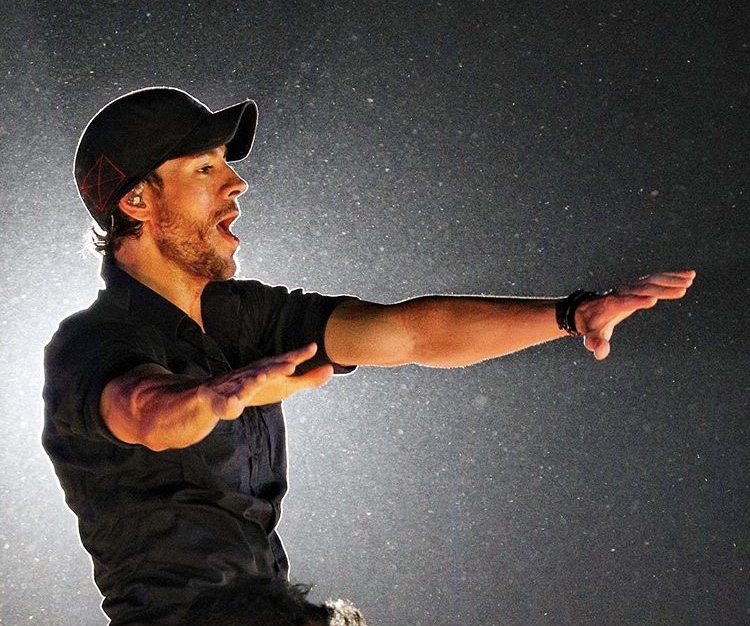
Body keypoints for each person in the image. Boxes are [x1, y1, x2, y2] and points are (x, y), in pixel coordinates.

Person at [42, 87, 695, 626]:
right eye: (204, 169)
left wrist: (570, 315)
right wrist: (213, 398)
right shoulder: (91, 342)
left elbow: (410, 333)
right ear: (138, 201)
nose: (236, 183)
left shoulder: (246, 317)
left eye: (225, 164)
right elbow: (143, 410)